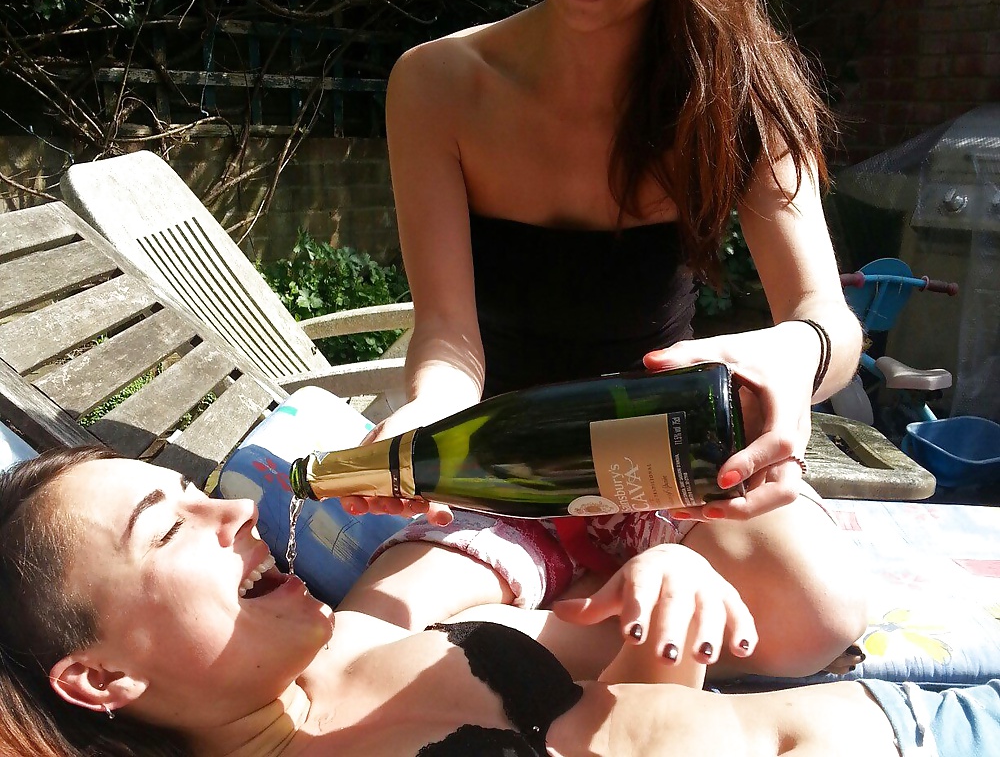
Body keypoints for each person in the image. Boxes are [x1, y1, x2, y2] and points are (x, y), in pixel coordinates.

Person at [339, 0, 867, 677]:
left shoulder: (740, 98)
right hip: (503, 473)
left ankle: (534, 643)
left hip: (669, 466)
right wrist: (427, 416)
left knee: (820, 615)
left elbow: (829, 318)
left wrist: (792, 353)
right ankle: (627, 631)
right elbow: (449, 335)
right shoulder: (438, 85)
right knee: (365, 643)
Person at [2, 448, 997, 757]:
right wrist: (668, 648)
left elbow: (612, 682)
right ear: (101, 676)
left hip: (910, 716)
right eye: (167, 529)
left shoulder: (353, 638)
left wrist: (661, 595)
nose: (231, 508)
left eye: (196, 490)